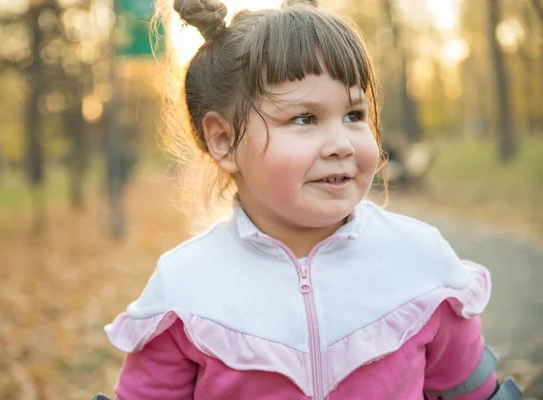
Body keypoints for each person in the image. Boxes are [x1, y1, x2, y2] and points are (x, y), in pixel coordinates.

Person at [103, 0, 523, 399]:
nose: (340, 143)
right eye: (304, 119)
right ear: (224, 140)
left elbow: (473, 391)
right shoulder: (185, 288)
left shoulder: (422, 262)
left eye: (354, 115)